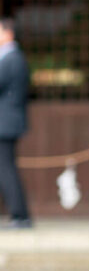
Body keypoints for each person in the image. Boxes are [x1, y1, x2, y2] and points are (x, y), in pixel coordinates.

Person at [0, 16, 32, 229]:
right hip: (8, 122)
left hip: (5, 123)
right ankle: (19, 215)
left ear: (8, 33)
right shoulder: (13, 57)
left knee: (6, 169)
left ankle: (20, 215)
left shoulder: (12, 58)